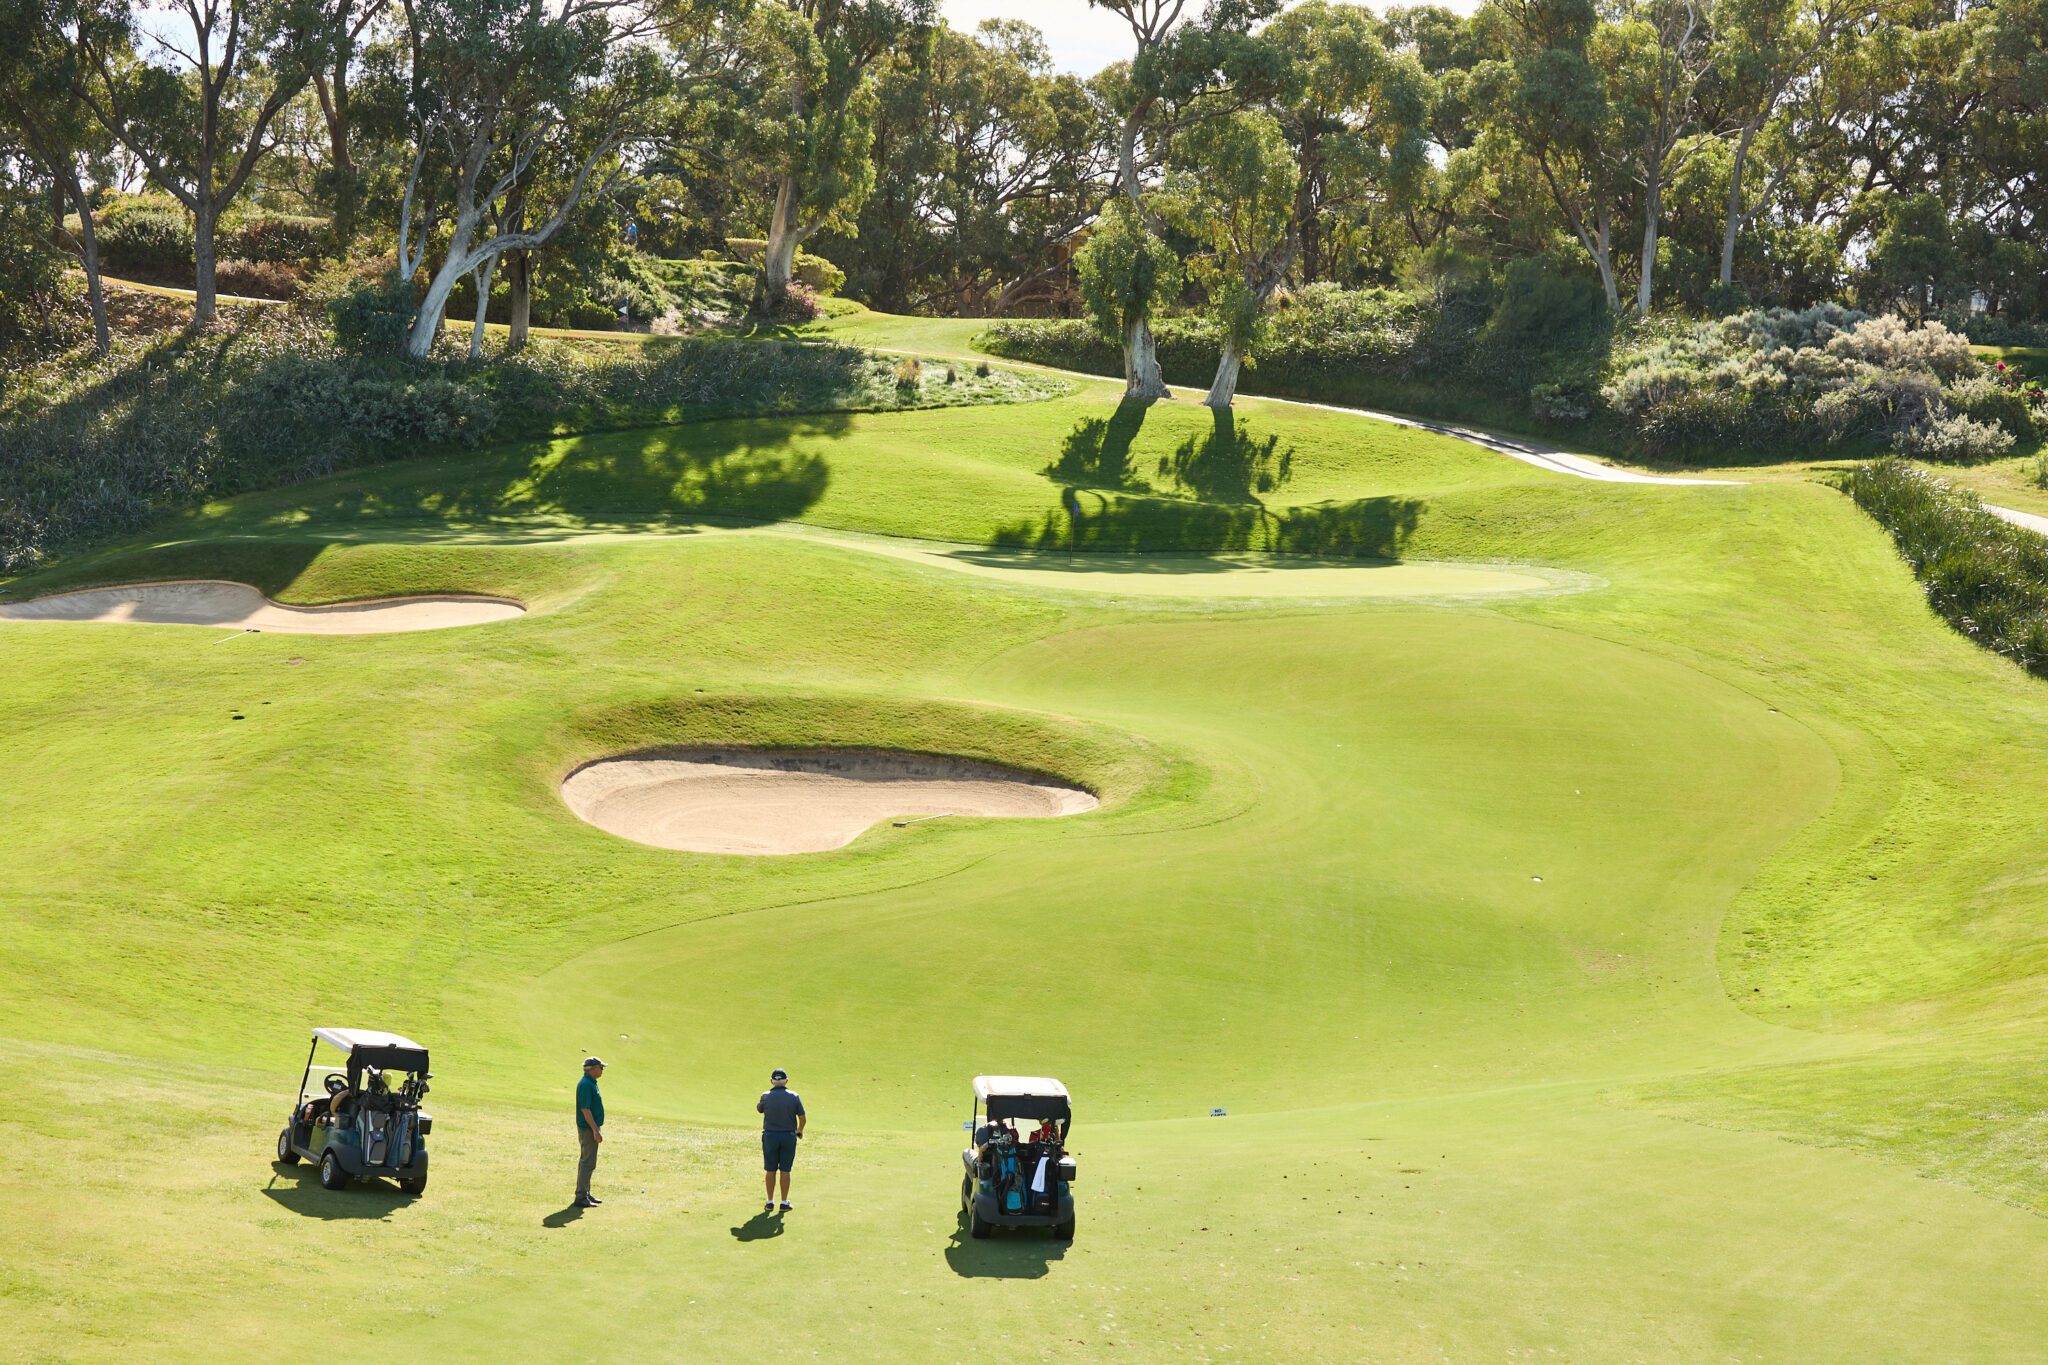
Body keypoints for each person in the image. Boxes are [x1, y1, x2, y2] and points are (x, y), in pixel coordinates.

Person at [757, 1067, 805, 1212]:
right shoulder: (794, 1096)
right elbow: (802, 1118)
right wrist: (799, 1130)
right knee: (785, 1170)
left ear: (771, 1081)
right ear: (786, 1081)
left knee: (770, 1169)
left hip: (770, 1136)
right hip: (788, 1136)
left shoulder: (765, 1096)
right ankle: (784, 1202)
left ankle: (770, 1202)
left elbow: (760, 1109)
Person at [575, 1056, 606, 1208]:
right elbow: (585, 1110)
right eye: (601, 1067)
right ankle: (581, 1196)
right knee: (587, 1162)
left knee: (588, 1162)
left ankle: (585, 1193)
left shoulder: (590, 1083)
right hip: (588, 1128)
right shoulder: (586, 1085)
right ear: (592, 1069)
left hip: (590, 1127)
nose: (602, 1070)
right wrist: (595, 1130)